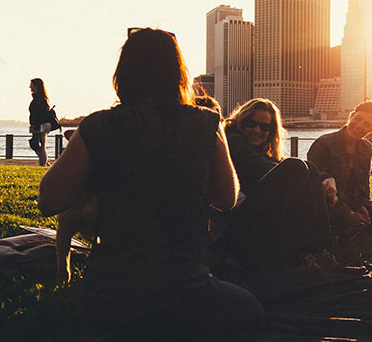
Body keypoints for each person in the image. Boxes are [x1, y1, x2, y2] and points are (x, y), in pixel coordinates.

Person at [36, 28, 263, 339]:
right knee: (252, 311)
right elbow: (226, 198)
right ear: (178, 74)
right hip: (185, 293)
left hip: (109, 299)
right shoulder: (206, 123)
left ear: (123, 74)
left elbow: (48, 200)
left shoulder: (97, 127)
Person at [212, 98, 336, 274]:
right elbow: (271, 169)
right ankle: (313, 251)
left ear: (271, 131)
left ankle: (320, 251)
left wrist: (326, 178)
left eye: (264, 127)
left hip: (250, 221)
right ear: (241, 121)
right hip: (231, 228)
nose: (257, 130)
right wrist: (311, 181)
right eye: (251, 124)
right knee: (296, 167)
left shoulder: (257, 149)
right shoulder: (234, 143)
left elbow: (277, 163)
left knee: (310, 167)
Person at [307, 100, 372, 237]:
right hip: (328, 205)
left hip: (351, 204)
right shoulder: (324, 144)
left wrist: (363, 206)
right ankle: (350, 228)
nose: (359, 126)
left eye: (366, 124)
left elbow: (364, 185)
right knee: (324, 212)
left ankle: (352, 228)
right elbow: (318, 187)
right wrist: (348, 214)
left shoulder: (366, 148)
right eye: (357, 118)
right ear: (351, 116)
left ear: (371, 129)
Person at [28, 78, 53, 166]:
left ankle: (43, 164)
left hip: (41, 124)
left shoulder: (40, 99)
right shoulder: (37, 98)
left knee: (40, 144)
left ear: (36, 86)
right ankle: (45, 161)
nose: (30, 86)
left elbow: (39, 114)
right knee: (35, 143)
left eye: (31, 84)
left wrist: (36, 127)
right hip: (37, 124)